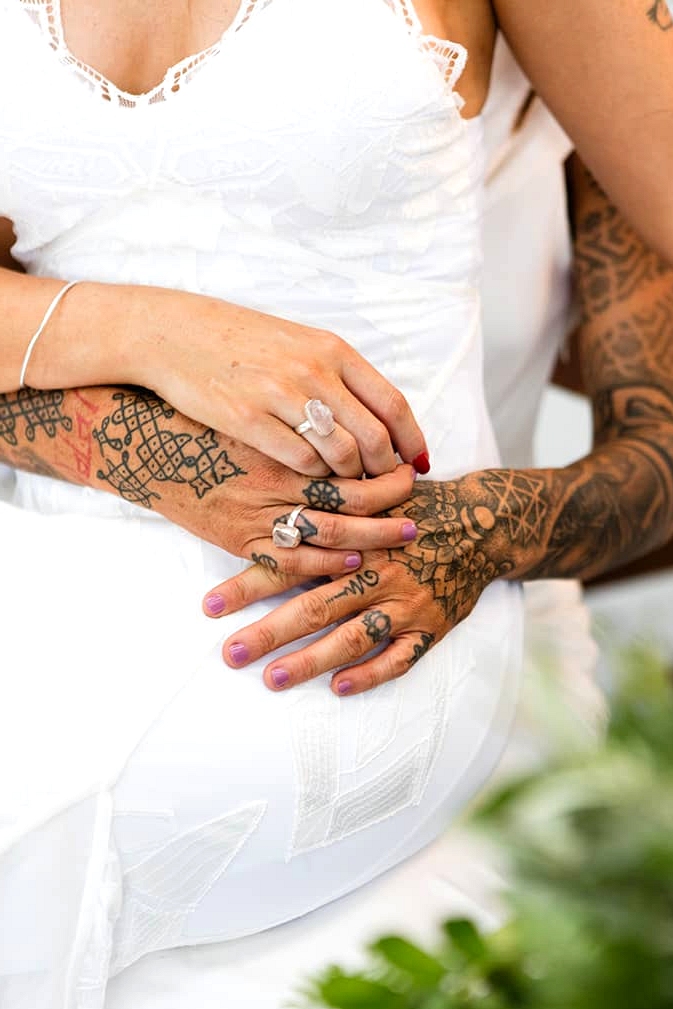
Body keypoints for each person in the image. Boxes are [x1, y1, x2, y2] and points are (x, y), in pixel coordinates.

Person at [0, 3, 671, 1008]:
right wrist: (148, 340)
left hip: (412, 609)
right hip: (52, 589)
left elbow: (654, 447)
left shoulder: (578, 86)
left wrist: (478, 534)